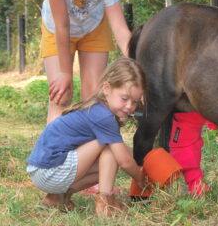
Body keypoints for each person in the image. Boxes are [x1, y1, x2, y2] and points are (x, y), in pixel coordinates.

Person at [26, 58, 148, 216]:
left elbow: (124, 154)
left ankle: (57, 197)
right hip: (50, 172)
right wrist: (141, 179)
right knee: (110, 151)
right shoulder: (104, 117)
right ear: (107, 88)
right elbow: (124, 161)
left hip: (41, 171)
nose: (130, 106)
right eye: (125, 99)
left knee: (108, 165)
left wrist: (144, 160)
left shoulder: (98, 107)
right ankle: (105, 205)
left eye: (135, 101)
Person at [40, 0, 132, 123]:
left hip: (93, 29)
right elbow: (62, 24)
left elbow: (120, 30)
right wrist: (65, 72)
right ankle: (54, 152)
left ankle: (90, 151)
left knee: (93, 98)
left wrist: (137, 67)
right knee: (61, 95)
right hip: (57, 29)